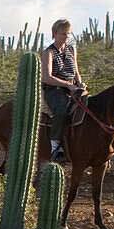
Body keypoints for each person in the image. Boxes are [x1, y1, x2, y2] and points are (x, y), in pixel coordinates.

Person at [41, 18, 85, 163]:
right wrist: (67, 84)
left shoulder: (72, 50)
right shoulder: (48, 52)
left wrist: (79, 83)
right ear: (54, 33)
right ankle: (55, 147)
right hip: (55, 90)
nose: (66, 37)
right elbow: (47, 77)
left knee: (89, 106)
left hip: (72, 88)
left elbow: (76, 71)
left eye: (68, 34)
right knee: (60, 112)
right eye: (63, 34)